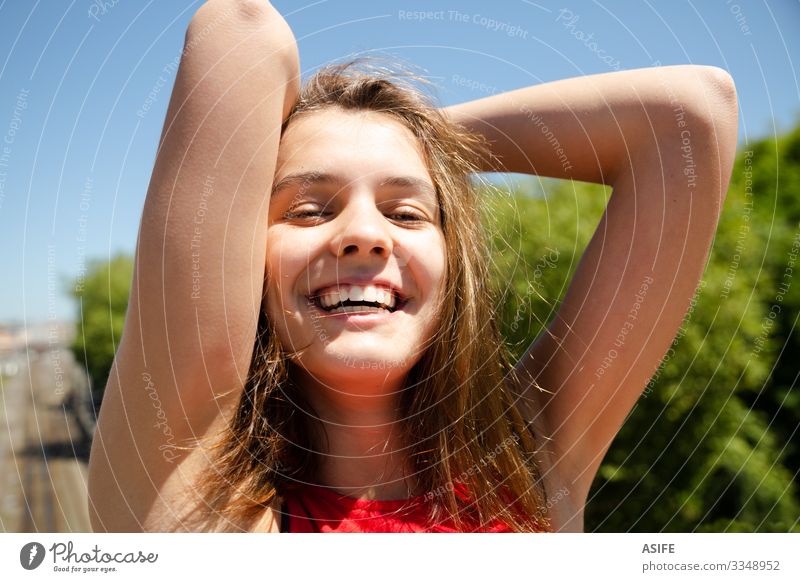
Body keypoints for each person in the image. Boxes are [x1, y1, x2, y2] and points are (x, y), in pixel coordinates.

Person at [87, 0, 738, 533]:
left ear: (454, 268)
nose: (366, 235)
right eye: (310, 211)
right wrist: (401, 150)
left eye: (406, 213)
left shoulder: (532, 459)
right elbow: (241, 37)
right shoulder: (196, 496)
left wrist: (429, 145)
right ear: (240, 262)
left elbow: (690, 116)